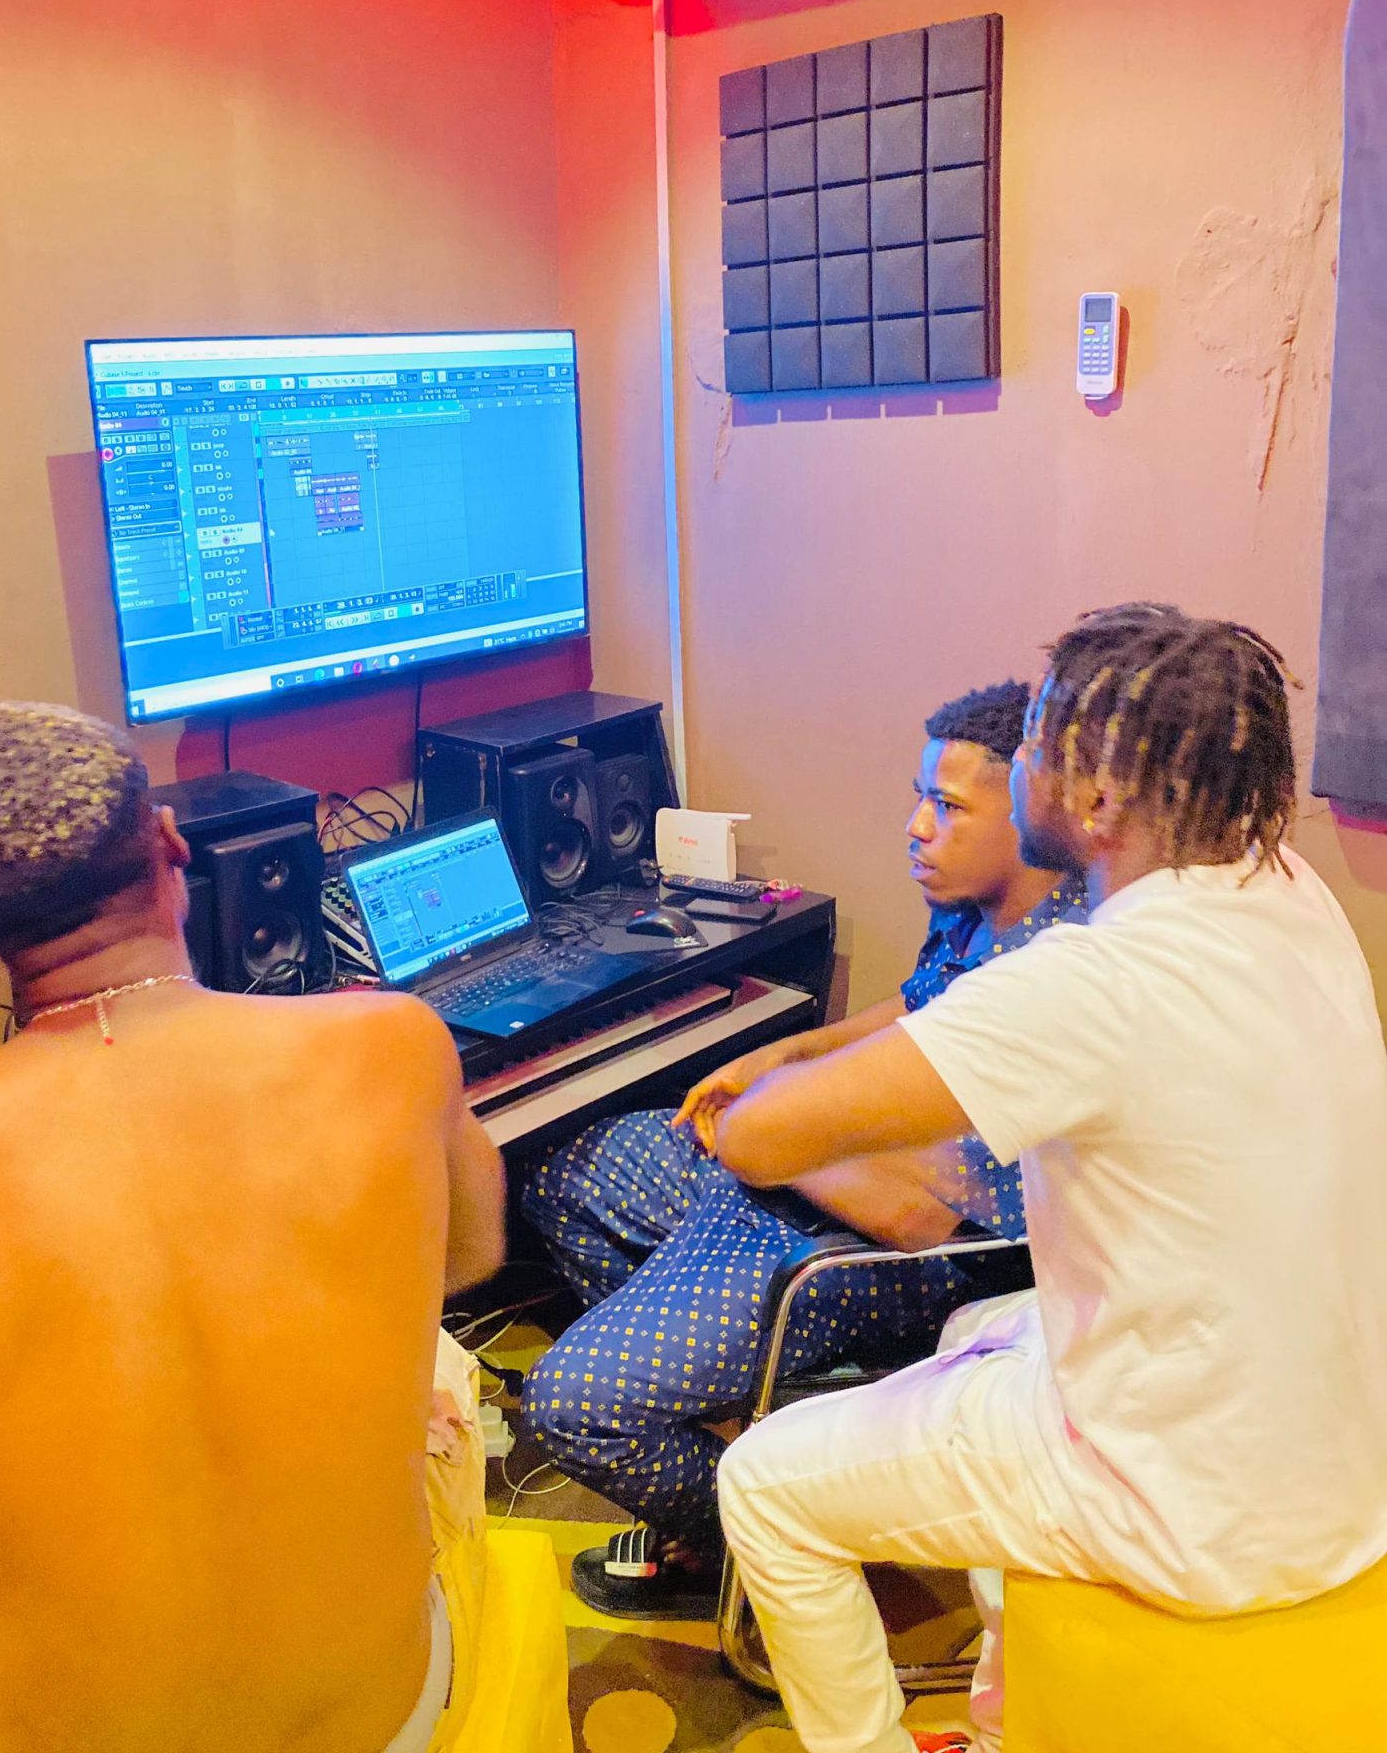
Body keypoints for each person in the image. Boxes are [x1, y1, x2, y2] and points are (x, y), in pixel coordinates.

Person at [708, 604, 1387, 1753]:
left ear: (1100, 795)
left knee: (764, 1485)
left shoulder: (1092, 979)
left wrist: (763, 1077)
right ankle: (1003, 1707)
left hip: (1194, 1511)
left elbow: (760, 1140)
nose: (1020, 759)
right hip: (1332, 1455)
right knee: (976, 1323)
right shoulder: (1284, 888)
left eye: (1037, 741)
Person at [0, 702, 505, 1753]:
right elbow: (469, 1253)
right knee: (445, 1380)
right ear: (172, 846)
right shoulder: (394, 1042)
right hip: (381, 1718)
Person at [518, 682, 1086, 1618]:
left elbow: (925, 1219)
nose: (916, 827)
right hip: (784, 1189)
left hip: (873, 1254)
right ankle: (715, 1400)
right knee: (559, 1172)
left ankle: (755, 1550)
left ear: (1028, 814)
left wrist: (773, 1139)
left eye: (947, 807)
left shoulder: (1052, 981)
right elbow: (915, 1006)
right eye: (920, 797)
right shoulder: (977, 903)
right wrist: (792, 1054)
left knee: (571, 1405)